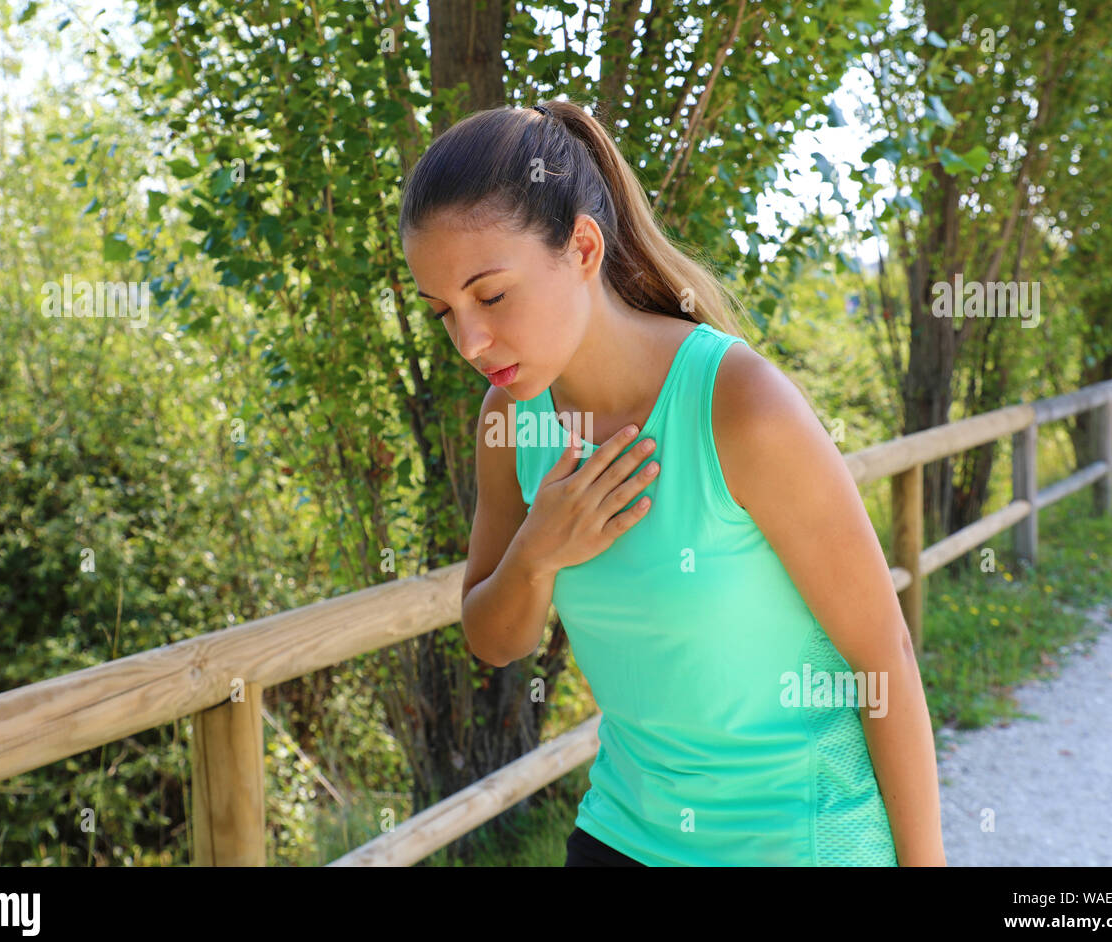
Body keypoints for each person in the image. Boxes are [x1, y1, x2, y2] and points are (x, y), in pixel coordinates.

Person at [398, 98, 946, 867]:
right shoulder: (511, 418)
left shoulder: (740, 405)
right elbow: (496, 639)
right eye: (443, 313)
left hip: (798, 842)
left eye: (490, 296)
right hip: (624, 836)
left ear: (583, 248)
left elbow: (881, 652)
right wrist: (538, 553)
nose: (470, 340)